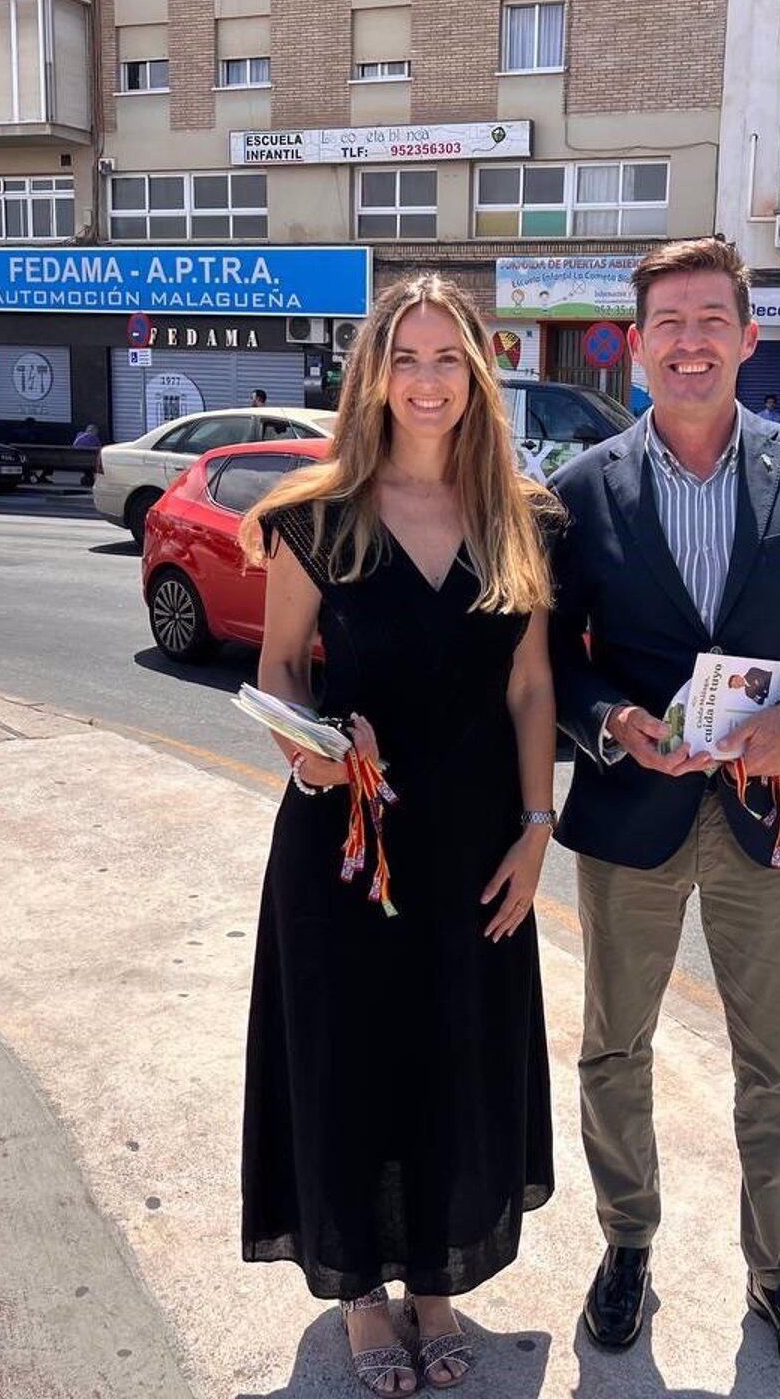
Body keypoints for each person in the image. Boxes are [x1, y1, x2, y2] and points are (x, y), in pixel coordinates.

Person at [547, 237, 780, 1396]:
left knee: (776, 1065)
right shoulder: (584, 487)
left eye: (712, 320)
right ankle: (627, 1246)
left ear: (748, 338)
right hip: (632, 817)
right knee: (613, 1049)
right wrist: (609, 722)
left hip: (773, 815)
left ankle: (779, 1274)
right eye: (668, 323)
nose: (689, 341)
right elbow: (552, 658)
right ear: (636, 344)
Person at [239, 274, 561, 1396]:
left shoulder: (520, 515)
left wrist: (537, 827)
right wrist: (308, 751)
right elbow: (279, 670)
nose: (427, 384)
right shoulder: (315, 516)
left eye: (448, 361)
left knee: (457, 1057)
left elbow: (530, 687)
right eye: (406, 359)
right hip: (347, 847)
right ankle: (365, 1299)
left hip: (477, 840)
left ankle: (436, 1281)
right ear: (372, 376)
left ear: (479, 376)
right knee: (351, 1058)